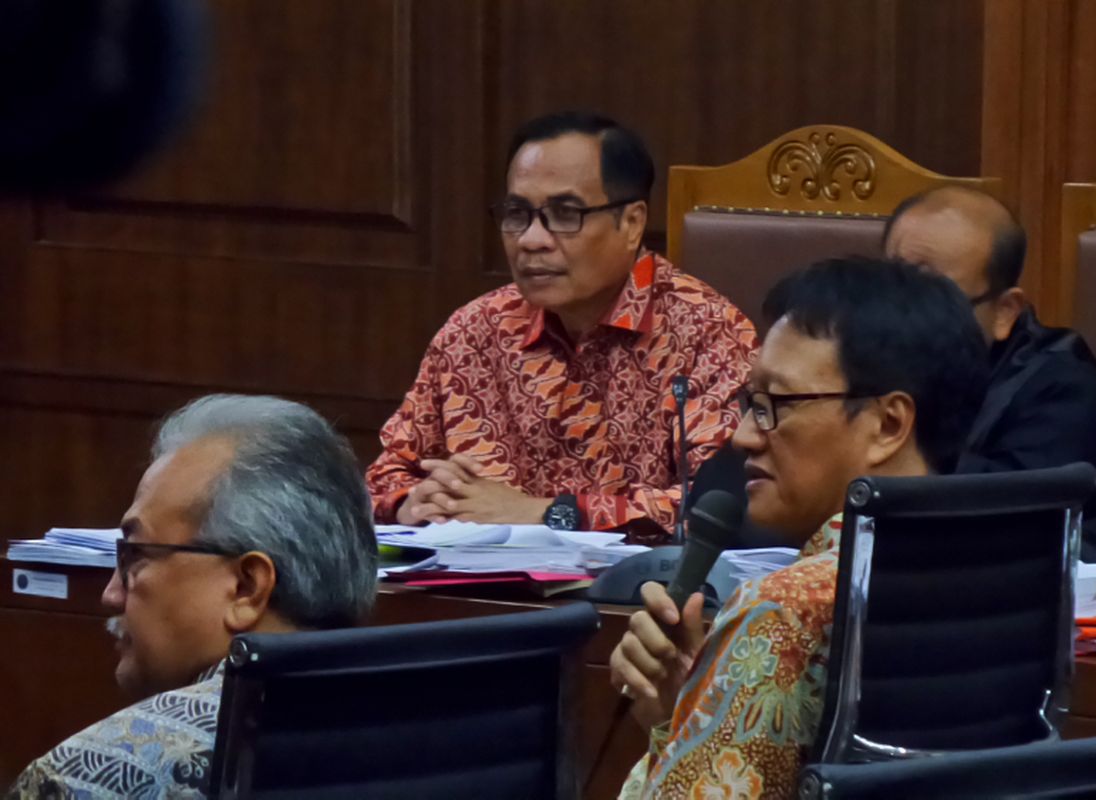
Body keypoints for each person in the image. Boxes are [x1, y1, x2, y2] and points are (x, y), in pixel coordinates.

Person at [610, 257, 989, 798]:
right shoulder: (1006, 574)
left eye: (776, 405)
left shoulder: (785, 610)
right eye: (750, 403)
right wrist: (691, 710)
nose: (743, 435)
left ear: (888, 424)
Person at [365, 111, 757, 542]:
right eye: (517, 213)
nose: (532, 239)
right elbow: (383, 478)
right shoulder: (474, 330)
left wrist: (546, 513)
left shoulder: (708, 332)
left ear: (631, 223)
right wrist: (412, 502)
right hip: (473, 577)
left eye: (565, 214)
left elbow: (721, 506)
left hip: (634, 584)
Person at [6, 395, 378, 799]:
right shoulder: (417, 731)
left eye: (136, 556)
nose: (110, 594)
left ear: (246, 588)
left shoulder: (83, 780)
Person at [883, 186, 1096, 519]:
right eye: (890, 288)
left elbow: (1003, 519)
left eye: (933, 300)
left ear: (1004, 311)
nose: (900, 318)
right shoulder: (853, 358)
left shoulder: (1067, 394)